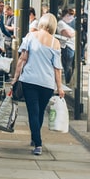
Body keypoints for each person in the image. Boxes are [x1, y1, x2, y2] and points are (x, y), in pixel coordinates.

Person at [10, 13, 64, 156]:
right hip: (47, 84)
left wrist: (15, 78)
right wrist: (59, 87)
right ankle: (35, 139)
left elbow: (22, 59)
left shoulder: (30, 36)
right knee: (39, 112)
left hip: (30, 81)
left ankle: (38, 143)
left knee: (33, 112)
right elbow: (57, 68)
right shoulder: (55, 42)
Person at [57, 9, 76, 84]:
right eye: (68, 15)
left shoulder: (69, 24)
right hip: (67, 47)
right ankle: (67, 82)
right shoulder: (61, 23)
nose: (70, 17)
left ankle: (69, 81)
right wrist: (76, 32)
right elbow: (69, 35)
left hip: (72, 46)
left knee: (71, 66)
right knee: (68, 66)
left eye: (71, 15)